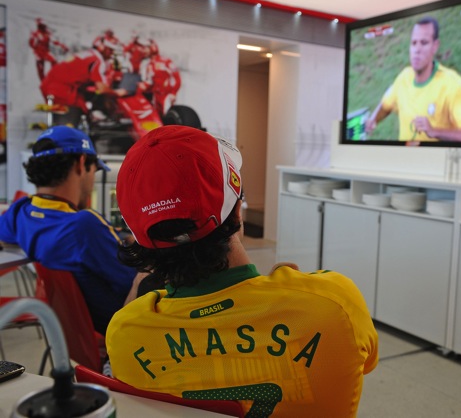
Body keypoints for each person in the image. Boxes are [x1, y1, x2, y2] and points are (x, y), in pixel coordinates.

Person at [106, 125, 378, 417]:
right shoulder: (335, 304)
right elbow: (365, 363)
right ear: (237, 211)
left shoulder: (125, 335)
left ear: (138, 236)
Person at [0, 126, 138, 335]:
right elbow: (133, 279)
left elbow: (5, 238)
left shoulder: (21, 212)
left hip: (74, 333)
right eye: (94, 170)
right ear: (81, 163)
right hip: (120, 331)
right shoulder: (84, 225)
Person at [365, 16, 461, 143]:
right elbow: (386, 104)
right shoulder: (403, 78)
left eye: (424, 43)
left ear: (435, 46)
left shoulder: (452, 84)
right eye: (414, 43)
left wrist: (434, 131)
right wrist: (374, 119)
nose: (417, 50)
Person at [39, 41, 127, 115]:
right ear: (103, 48)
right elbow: (102, 89)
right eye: (110, 50)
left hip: (48, 85)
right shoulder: (98, 60)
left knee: (61, 117)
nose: (111, 54)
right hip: (63, 90)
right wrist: (116, 93)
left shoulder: (88, 54)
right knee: (79, 115)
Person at [139, 39, 181, 116]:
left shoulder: (166, 61)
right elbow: (150, 82)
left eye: (146, 48)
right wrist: (142, 86)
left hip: (166, 96)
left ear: (152, 48)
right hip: (155, 96)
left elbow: (177, 78)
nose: (143, 50)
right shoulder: (149, 65)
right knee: (157, 118)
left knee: (167, 117)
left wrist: (173, 93)